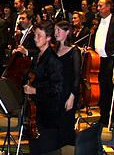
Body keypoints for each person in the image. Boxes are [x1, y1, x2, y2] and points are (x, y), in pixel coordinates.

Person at [24, 20, 64, 155]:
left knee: (46, 149)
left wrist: (35, 90)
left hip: (48, 115)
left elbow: (57, 89)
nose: (35, 39)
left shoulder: (53, 59)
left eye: (39, 36)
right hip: (36, 113)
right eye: (35, 35)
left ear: (48, 38)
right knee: (35, 148)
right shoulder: (37, 56)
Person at [93, 0, 114, 126]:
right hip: (97, 60)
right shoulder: (97, 22)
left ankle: (109, 119)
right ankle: (103, 116)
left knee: (108, 91)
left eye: (101, 6)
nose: (98, 8)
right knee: (101, 91)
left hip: (111, 60)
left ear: (108, 7)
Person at [54, 21, 81, 146]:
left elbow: (76, 77)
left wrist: (72, 97)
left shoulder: (74, 51)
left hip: (67, 94)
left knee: (66, 128)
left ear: (67, 32)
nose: (56, 33)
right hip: (54, 94)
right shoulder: (54, 50)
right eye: (55, 30)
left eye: (59, 30)